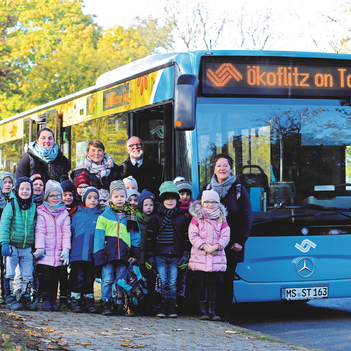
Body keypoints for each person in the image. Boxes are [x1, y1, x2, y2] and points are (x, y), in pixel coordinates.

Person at [197, 153, 252, 322]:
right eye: (219, 165)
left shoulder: (238, 189)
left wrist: (240, 241)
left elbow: (247, 216)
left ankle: (225, 315)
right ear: (214, 168)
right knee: (211, 280)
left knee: (227, 280)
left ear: (231, 168)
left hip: (231, 245)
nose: (222, 168)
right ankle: (210, 313)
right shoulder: (207, 189)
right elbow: (197, 216)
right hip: (210, 246)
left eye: (226, 165)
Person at [93, 180, 140, 316]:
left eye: (122, 196)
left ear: (126, 197)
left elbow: (136, 235)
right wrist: (100, 254)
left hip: (124, 255)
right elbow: (99, 237)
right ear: (110, 198)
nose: (119, 199)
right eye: (116, 196)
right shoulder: (104, 216)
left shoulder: (131, 216)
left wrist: (134, 253)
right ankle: (106, 303)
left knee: (122, 279)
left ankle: (121, 303)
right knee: (107, 279)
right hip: (108, 254)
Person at [145, 181, 190, 319]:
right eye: (166, 199)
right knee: (163, 280)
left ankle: (172, 305)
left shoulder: (182, 217)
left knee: (172, 281)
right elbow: (150, 238)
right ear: (162, 200)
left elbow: (186, 238)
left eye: (172, 199)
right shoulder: (156, 218)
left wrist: (185, 254)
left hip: (176, 255)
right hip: (160, 255)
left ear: (177, 200)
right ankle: (162, 305)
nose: (170, 201)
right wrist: (150, 256)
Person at [188, 189, 230, 321]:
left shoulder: (222, 218)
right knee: (201, 285)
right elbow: (193, 235)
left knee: (213, 286)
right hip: (201, 257)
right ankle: (202, 311)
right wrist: (204, 246)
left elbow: (225, 235)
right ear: (202, 203)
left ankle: (212, 311)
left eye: (213, 202)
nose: (210, 205)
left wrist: (217, 246)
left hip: (216, 257)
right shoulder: (197, 218)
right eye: (207, 202)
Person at [0, 177, 37, 311]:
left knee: (27, 274)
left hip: (27, 247)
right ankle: (9, 297)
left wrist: (35, 245)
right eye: (22, 188)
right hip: (12, 246)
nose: (25, 191)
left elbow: (35, 226)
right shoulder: (12, 205)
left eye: (28, 189)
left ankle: (25, 297)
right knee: (9, 272)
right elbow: (4, 224)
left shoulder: (33, 206)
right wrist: (4, 242)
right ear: (17, 189)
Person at [34, 180, 71, 311]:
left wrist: (66, 249)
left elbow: (67, 232)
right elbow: (40, 231)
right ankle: (46, 299)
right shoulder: (42, 212)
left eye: (58, 195)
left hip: (58, 251)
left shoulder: (64, 213)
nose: (55, 198)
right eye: (52, 195)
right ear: (47, 197)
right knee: (46, 276)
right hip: (45, 251)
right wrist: (39, 248)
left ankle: (53, 299)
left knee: (56, 277)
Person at [70, 187, 102, 313]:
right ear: (84, 199)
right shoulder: (77, 214)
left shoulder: (100, 215)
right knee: (77, 277)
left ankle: (88, 301)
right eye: (89, 198)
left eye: (95, 198)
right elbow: (71, 232)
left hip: (91, 253)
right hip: (77, 253)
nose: (93, 200)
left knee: (89, 278)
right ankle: (75, 300)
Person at [173, 176, 194, 314]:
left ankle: (184, 304)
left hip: (191, 248)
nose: (185, 197)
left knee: (186, 278)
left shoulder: (195, 211)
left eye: (187, 194)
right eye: (182, 194)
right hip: (175, 247)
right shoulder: (172, 210)